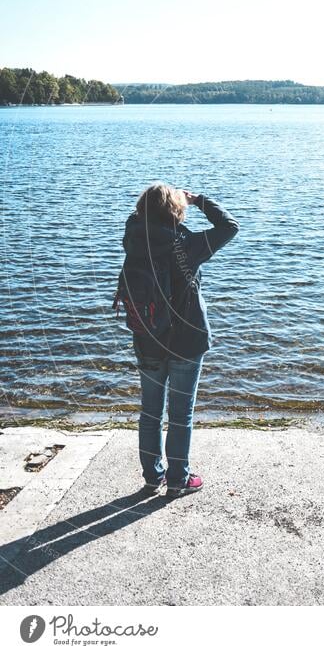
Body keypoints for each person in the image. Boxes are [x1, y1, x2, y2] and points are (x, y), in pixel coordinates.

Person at [121, 182, 239, 499]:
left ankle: (151, 478)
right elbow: (230, 226)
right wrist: (199, 200)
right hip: (186, 341)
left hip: (146, 338)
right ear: (176, 210)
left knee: (150, 413)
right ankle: (177, 480)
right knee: (180, 415)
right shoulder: (186, 243)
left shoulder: (133, 240)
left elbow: (136, 221)